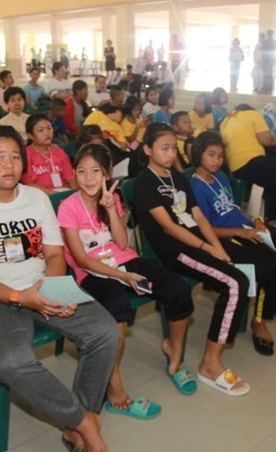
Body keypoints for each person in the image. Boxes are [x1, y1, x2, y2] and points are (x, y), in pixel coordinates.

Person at [0, 124, 117, 452]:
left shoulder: (37, 199)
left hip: (41, 284)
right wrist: (20, 297)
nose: (9, 165)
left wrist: (50, 289)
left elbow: (54, 255)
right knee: (13, 362)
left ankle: (75, 426)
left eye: (15, 157)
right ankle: (85, 423)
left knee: (105, 332)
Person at [59, 144, 196, 418]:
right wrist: (124, 276)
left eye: (95, 171)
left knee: (178, 288)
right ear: (74, 174)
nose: (88, 178)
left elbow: (122, 243)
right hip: (92, 272)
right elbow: (81, 260)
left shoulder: (112, 199)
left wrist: (111, 209)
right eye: (82, 171)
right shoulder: (68, 207)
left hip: (124, 260)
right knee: (117, 306)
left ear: (107, 174)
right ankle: (115, 387)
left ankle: (174, 353)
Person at [189, 131, 276, 367]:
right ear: (198, 155)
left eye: (220, 155)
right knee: (272, 263)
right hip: (227, 237)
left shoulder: (220, 177)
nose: (217, 160)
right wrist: (240, 232)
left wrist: (255, 220)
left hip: (245, 228)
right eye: (211, 154)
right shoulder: (195, 186)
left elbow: (233, 208)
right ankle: (270, 326)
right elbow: (205, 229)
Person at [134, 122, 251, 396]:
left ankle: (213, 356)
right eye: (164, 148)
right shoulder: (144, 183)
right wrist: (207, 248)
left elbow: (198, 216)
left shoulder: (178, 177)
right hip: (175, 251)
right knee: (235, 283)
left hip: (197, 244)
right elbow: (169, 227)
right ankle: (210, 364)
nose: (170, 154)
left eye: (173, 149)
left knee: (241, 273)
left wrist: (217, 247)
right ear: (148, 149)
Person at [219, 103, 276, 225]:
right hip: (251, 162)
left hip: (235, 168)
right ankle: (274, 221)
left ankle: (265, 213)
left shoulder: (226, 119)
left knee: (273, 165)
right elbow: (267, 141)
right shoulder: (254, 114)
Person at [21, 113, 75, 194]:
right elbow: (28, 184)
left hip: (62, 191)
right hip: (39, 195)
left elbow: (70, 178)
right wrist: (53, 195)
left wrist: (74, 195)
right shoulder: (26, 154)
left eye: (49, 128)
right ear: (30, 136)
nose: (47, 133)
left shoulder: (59, 151)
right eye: (41, 130)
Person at [261, 29, 276, 94]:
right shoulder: (265, 41)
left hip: (270, 59)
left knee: (269, 75)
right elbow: (262, 49)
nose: (269, 35)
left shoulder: (273, 42)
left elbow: (274, 48)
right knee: (265, 75)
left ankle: (269, 88)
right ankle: (265, 88)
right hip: (265, 60)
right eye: (268, 33)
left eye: (270, 33)